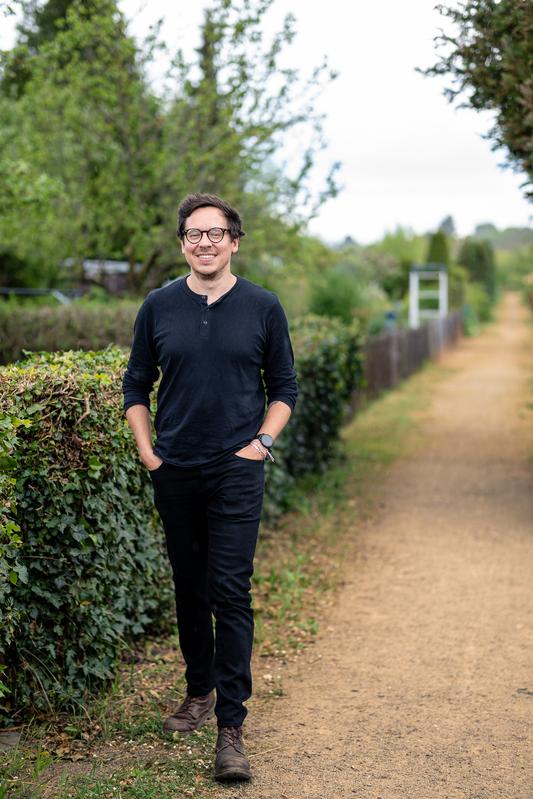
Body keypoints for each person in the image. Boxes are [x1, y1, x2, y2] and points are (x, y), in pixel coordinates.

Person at [122, 193, 298, 782]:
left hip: (235, 468)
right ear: (182, 243)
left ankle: (231, 725)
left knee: (230, 591)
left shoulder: (263, 306)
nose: (205, 243)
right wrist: (150, 454)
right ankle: (199, 690)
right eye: (194, 234)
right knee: (189, 587)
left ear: (234, 241)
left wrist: (261, 444)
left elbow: (284, 388)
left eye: (215, 234)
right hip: (175, 468)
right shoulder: (159, 306)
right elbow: (136, 384)